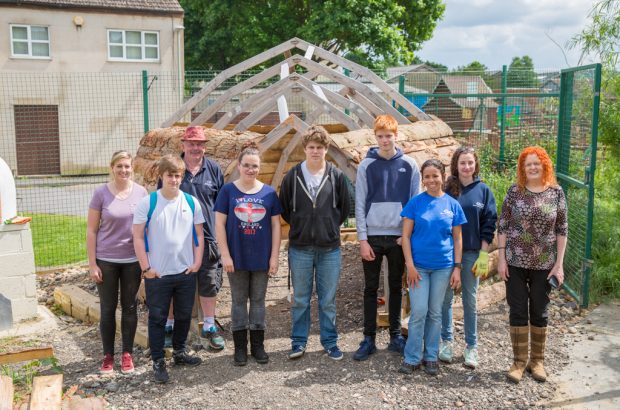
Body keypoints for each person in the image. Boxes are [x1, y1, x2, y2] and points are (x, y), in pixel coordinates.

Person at [279, 125, 351, 361]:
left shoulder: (336, 175)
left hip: (329, 248)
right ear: (305, 149)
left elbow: (344, 208)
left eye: (320, 147)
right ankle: (298, 342)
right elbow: (285, 209)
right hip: (300, 247)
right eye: (311, 147)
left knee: (327, 299)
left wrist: (327, 225)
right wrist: (302, 225)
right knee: (300, 298)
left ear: (326, 149)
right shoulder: (293, 175)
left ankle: (329, 341)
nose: (315, 151)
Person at [353, 114, 420, 361]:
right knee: (370, 288)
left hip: (397, 238)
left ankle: (395, 336)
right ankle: (368, 338)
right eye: (380, 136)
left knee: (395, 287)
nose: (384, 140)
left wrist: (407, 236)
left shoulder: (410, 165)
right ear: (375, 137)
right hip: (372, 236)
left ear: (396, 136)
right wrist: (362, 239)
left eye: (388, 136)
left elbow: (415, 205)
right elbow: (359, 203)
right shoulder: (366, 166)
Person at [498, 146, 567, 383]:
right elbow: (503, 226)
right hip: (515, 262)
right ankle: (518, 362)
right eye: (528, 164)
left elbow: (562, 230)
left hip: (545, 264)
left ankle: (537, 361)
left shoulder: (556, 193)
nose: (533, 167)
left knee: (540, 310)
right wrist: (501, 259)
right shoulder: (514, 192)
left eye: (537, 163)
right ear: (523, 168)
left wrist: (559, 264)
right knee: (517, 310)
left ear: (545, 164)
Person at [133, 154, 205, 384]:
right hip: (158, 273)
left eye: (178, 175)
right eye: (170, 175)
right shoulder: (149, 203)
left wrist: (196, 263)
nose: (174, 180)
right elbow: (136, 236)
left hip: (185, 272)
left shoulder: (191, 202)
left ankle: (180, 352)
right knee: (157, 318)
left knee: (184, 315)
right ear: (161, 176)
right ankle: (158, 361)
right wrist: (146, 268)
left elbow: (200, 235)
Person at [214, 142, 282, 366]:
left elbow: (275, 227)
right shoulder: (228, 191)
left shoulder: (269, 193)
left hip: (261, 258)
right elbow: (219, 224)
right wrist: (225, 254)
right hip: (237, 257)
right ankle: (240, 348)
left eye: (254, 166)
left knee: (259, 301)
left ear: (259, 168)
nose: (250, 170)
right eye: (246, 165)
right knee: (238, 301)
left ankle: (258, 346)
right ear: (239, 166)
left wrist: (274, 256)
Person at [399, 159, 466, 376]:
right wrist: (409, 265)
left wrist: (457, 267)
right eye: (427, 176)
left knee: (436, 312)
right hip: (418, 268)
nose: (431, 180)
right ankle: (412, 357)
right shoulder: (415, 203)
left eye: (435, 175)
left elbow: (457, 239)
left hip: (443, 267)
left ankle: (431, 355)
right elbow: (406, 237)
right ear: (423, 179)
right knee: (418, 311)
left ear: (443, 176)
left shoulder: (452, 205)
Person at [163, 126, 226, 351]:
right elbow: (162, 200)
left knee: (209, 282)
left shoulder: (214, 169)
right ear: (183, 145)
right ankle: (169, 326)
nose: (196, 147)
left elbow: (221, 205)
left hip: (207, 237)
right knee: (173, 283)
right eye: (191, 143)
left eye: (200, 143)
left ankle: (209, 325)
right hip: (177, 239)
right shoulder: (173, 168)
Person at [87, 151, 147, 374]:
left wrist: (145, 261)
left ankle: (127, 354)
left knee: (130, 307)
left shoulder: (141, 193)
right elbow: (91, 230)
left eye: (127, 167)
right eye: (119, 166)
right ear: (112, 167)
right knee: (107, 308)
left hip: (132, 260)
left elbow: (146, 229)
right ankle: (108, 355)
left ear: (132, 169)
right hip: (106, 261)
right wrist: (93, 264)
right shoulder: (101, 193)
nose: (124, 170)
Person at [439, 147, 497, 369]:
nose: (466, 167)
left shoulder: (483, 191)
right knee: (445, 298)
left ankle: (471, 346)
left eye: (470, 162)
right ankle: (446, 342)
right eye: (462, 163)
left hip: (472, 252)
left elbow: (489, 223)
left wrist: (484, 253)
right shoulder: (447, 190)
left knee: (470, 300)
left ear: (475, 164)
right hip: (447, 253)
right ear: (456, 164)